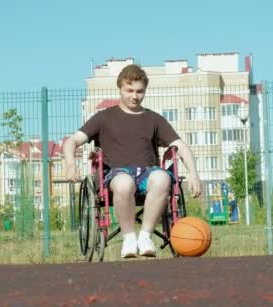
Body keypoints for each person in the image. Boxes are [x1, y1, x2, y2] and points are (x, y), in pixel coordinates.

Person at [63, 64, 201, 258]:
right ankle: (129, 239)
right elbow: (72, 141)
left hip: (147, 173)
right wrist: (70, 165)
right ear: (119, 88)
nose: (134, 96)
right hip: (116, 174)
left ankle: (145, 237)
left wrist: (194, 174)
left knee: (162, 177)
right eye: (129, 90)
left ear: (144, 91)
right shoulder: (104, 117)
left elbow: (181, 147)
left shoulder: (154, 119)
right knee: (124, 183)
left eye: (139, 91)